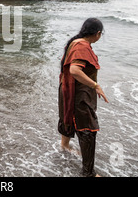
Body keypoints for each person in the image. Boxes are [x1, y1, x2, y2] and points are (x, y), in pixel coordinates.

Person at [58, 18, 109, 177]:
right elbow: (74, 70)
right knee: (87, 130)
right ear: (98, 33)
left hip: (68, 89)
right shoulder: (82, 46)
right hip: (79, 94)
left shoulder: (74, 42)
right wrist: (96, 86)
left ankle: (65, 145)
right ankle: (89, 174)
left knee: (68, 117)